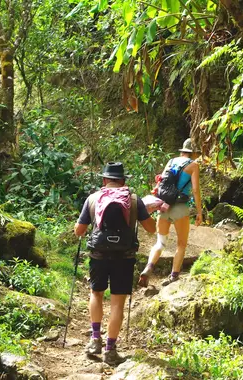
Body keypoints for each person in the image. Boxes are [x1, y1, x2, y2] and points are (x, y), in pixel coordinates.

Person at [74, 162, 156, 366]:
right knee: (117, 303)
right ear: (123, 180)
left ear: (104, 180)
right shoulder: (134, 200)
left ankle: (95, 340)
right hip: (124, 256)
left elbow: (79, 230)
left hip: (98, 255)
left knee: (96, 294)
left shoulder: (93, 198)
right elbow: (151, 229)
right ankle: (110, 350)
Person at [138, 138, 202, 287]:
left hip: (164, 206)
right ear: (194, 153)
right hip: (180, 207)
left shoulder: (171, 161)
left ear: (183, 150)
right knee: (181, 244)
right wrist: (199, 212)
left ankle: (149, 267)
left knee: (160, 242)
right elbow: (195, 190)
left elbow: (160, 182)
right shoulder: (193, 165)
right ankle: (174, 276)